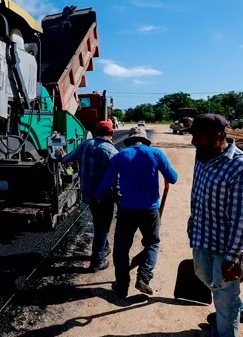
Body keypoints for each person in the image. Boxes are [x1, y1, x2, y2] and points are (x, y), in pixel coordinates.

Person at [187, 113, 243, 337]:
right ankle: (239, 309)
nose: (195, 141)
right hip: (204, 236)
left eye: (200, 137)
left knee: (223, 297)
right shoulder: (203, 157)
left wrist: (232, 259)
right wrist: (191, 224)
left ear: (220, 136)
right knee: (204, 278)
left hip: (230, 247)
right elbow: (197, 194)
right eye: (193, 136)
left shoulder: (242, 167)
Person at [95, 125, 178, 298]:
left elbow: (107, 183)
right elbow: (173, 178)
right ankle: (144, 277)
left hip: (127, 210)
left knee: (121, 248)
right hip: (150, 211)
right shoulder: (156, 154)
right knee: (152, 243)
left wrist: (97, 196)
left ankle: (122, 286)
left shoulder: (120, 156)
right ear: (145, 140)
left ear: (129, 141)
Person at [59, 120, 119, 271]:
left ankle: (104, 248)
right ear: (111, 133)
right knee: (103, 227)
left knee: (98, 223)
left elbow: (66, 159)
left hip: (89, 195)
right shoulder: (112, 152)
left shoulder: (85, 145)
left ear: (97, 131)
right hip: (105, 197)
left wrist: (61, 154)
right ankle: (97, 261)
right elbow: (118, 178)